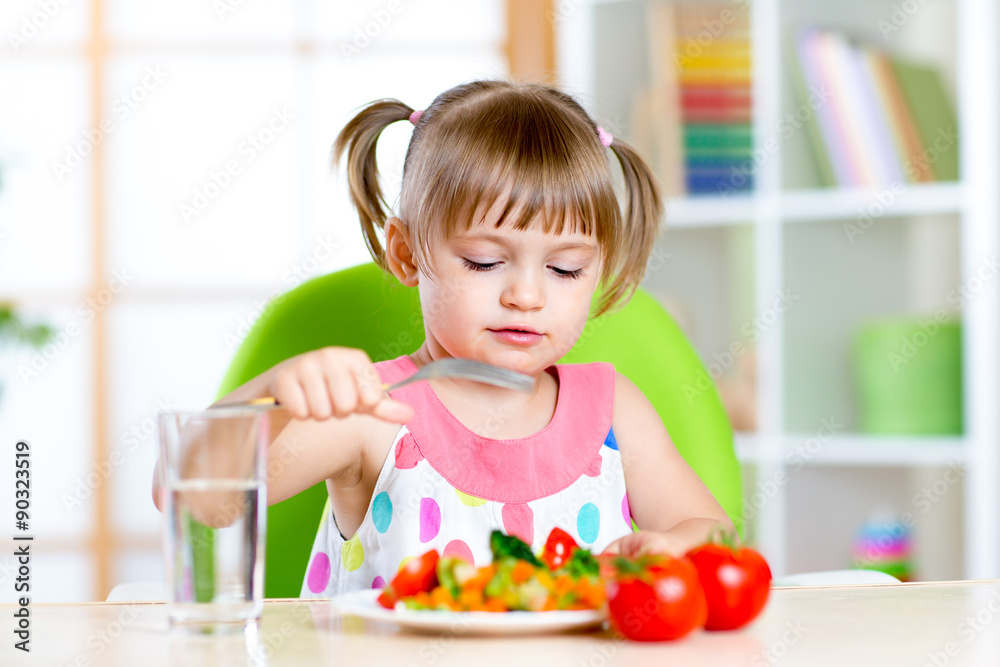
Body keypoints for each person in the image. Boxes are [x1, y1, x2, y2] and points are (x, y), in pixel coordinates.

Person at [160, 79, 732, 598]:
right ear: (407, 254)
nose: (527, 296)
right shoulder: (373, 410)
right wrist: (276, 396)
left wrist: (674, 548)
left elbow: (712, 531)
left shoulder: (612, 410)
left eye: (565, 269)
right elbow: (196, 499)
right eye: (485, 262)